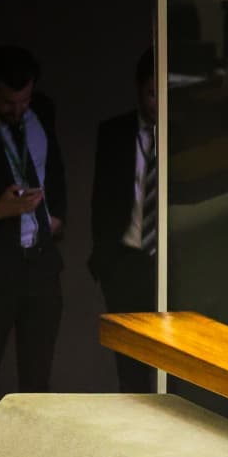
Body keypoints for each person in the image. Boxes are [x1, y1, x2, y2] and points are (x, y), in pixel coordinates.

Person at [0, 45, 67, 407]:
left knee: (37, 384)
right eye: (8, 103)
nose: (18, 110)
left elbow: (56, 168)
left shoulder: (43, 110)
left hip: (40, 264)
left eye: (25, 100)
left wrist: (57, 217)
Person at [88, 48, 157, 393]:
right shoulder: (114, 133)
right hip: (125, 260)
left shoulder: (185, 132)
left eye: (165, 94)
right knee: (129, 365)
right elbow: (101, 200)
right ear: (139, 89)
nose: (157, 103)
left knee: (172, 362)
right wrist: (104, 261)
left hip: (172, 263)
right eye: (150, 93)